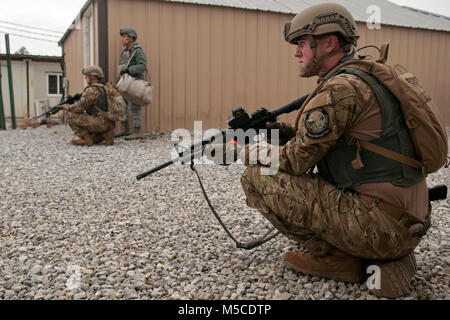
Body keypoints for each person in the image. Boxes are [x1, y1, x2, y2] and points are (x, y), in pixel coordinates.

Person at [237, 3, 433, 298]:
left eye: (302, 42)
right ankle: (378, 256)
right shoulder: (364, 75)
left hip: (385, 227)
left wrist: (248, 151)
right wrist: (274, 130)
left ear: (329, 42)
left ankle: (338, 258)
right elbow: (328, 141)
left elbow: (295, 161)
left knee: (256, 176)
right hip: (407, 220)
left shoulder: (338, 90)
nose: (296, 52)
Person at [61, 65, 115, 146]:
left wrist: (67, 106)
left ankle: (87, 140)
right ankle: (104, 135)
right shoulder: (108, 88)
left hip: (100, 123)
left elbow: (79, 108)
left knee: (71, 114)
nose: (85, 78)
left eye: (86, 76)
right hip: (110, 123)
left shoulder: (91, 90)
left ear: (92, 77)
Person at [117, 27, 148, 140]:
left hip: (134, 83)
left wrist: (129, 70)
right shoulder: (126, 52)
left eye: (124, 37)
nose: (122, 39)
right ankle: (125, 130)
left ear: (131, 38)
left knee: (134, 107)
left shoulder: (137, 51)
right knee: (123, 106)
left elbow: (142, 66)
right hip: (124, 83)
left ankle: (137, 131)